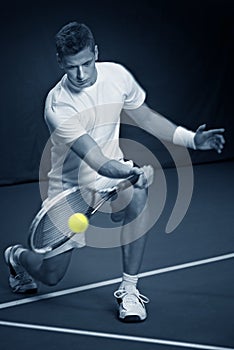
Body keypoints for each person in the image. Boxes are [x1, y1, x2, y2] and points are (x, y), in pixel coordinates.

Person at [4, 22, 225, 322]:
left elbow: (144, 116)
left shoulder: (117, 76)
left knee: (138, 194)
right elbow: (97, 160)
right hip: (70, 190)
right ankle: (15, 257)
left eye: (86, 63)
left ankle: (129, 290)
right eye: (72, 68)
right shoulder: (58, 105)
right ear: (59, 62)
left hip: (110, 178)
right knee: (51, 275)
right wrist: (131, 172)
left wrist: (191, 139)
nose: (81, 74)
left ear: (96, 52)